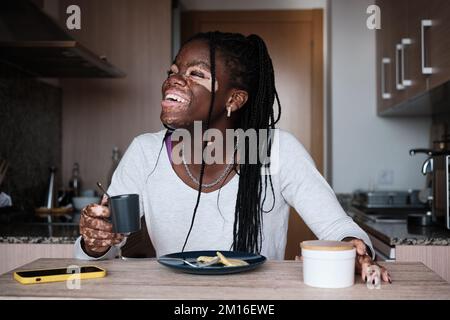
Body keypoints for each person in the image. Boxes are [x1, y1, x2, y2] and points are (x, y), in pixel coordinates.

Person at [74, 31, 391, 284]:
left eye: (196, 73)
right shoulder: (145, 152)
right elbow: (96, 252)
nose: (174, 79)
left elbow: (337, 227)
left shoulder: (276, 151)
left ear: (234, 100)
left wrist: (354, 248)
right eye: (173, 71)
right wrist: (96, 240)